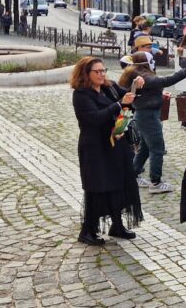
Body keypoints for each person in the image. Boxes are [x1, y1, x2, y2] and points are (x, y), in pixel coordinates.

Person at [70, 57, 144, 246]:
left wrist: (136, 86)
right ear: (86, 74)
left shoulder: (108, 87)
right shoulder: (81, 95)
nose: (102, 74)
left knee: (118, 183)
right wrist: (119, 104)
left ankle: (117, 225)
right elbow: (94, 118)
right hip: (95, 147)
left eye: (103, 70)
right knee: (97, 187)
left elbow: (127, 95)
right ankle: (88, 230)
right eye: (98, 71)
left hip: (115, 144)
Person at [120, 52, 186, 194]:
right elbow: (165, 81)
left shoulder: (138, 73)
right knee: (157, 148)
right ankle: (155, 182)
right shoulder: (143, 76)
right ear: (146, 61)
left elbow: (154, 87)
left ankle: (133, 174)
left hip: (144, 115)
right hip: (148, 116)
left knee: (145, 148)